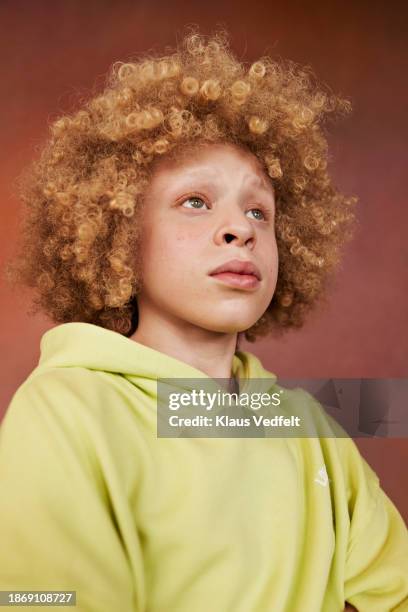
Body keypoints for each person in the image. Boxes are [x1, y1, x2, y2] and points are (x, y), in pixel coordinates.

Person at [1, 27, 407, 612]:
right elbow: (44, 601)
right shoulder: (68, 409)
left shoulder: (311, 423)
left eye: (258, 210)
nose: (240, 228)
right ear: (120, 235)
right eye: (195, 200)